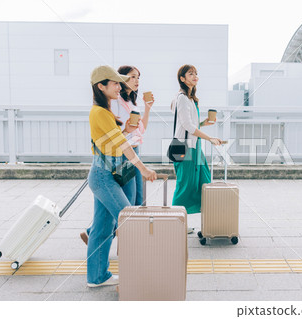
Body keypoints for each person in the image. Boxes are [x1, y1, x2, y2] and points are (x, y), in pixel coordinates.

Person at [86, 65, 157, 287]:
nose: (119, 86)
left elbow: (112, 141)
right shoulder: (100, 112)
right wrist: (144, 169)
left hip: (105, 174)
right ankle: (141, 273)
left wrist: (125, 129)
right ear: (101, 86)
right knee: (129, 221)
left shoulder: (104, 112)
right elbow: (123, 146)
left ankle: (98, 277)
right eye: (115, 83)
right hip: (103, 176)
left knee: (102, 229)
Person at [171, 64, 222, 233]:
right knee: (185, 185)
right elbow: (186, 125)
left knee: (204, 181)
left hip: (193, 147)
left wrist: (203, 123)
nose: (195, 76)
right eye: (190, 74)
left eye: (196, 74)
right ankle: (177, 223)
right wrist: (210, 138)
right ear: (182, 78)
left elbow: (190, 124)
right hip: (184, 148)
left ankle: (207, 218)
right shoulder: (182, 98)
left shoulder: (190, 98)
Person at [114, 65, 154, 206]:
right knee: (128, 194)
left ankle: (136, 227)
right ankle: (123, 227)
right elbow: (116, 131)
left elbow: (140, 130)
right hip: (124, 152)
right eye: (132, 77)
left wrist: (147, 109)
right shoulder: (117, 100)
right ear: (122, 79)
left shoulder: (132, 102)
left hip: (134, 150)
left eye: (138, 77)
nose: (136, 81)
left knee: (139, 195)